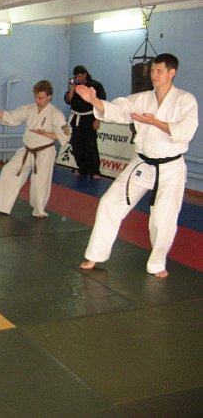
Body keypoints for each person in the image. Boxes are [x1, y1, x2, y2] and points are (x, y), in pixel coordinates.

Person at [76, 53, 198, 278]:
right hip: (142, 162)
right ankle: (95, 254)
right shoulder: (142, 99)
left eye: (159, 71)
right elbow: (119, 110)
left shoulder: (185, 100)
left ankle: (157, 263)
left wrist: (155, 122)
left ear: (172, 72)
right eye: (152, 70)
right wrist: (94, 101)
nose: (154, 75)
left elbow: (186, 132)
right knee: (109, 203)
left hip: (170, 168)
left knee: (163, 219)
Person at [0, 80, 70, 218]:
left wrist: (46, 133)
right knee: (8, 171)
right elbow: (11, 117)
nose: (37, 100)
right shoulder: (29, 109)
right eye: (36, 97)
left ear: (49, 97)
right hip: (27, 150)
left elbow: (65, 135)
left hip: (45, 152)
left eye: (41, 98)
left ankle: (39, 210)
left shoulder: (56, 114)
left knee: (40, 182)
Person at [64, 65, 106, 178]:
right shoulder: (75, 86)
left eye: (79, 76)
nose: (77, 78)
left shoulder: (95, 85)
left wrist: (98, 120)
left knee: (90, 145)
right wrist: (72, 88)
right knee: (77, 145)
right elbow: (68, 100)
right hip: (76, 119)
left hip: (89, 118)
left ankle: (95, 171)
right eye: (76, 76)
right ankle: (82, 169)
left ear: (85, 74)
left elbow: (101, 103)